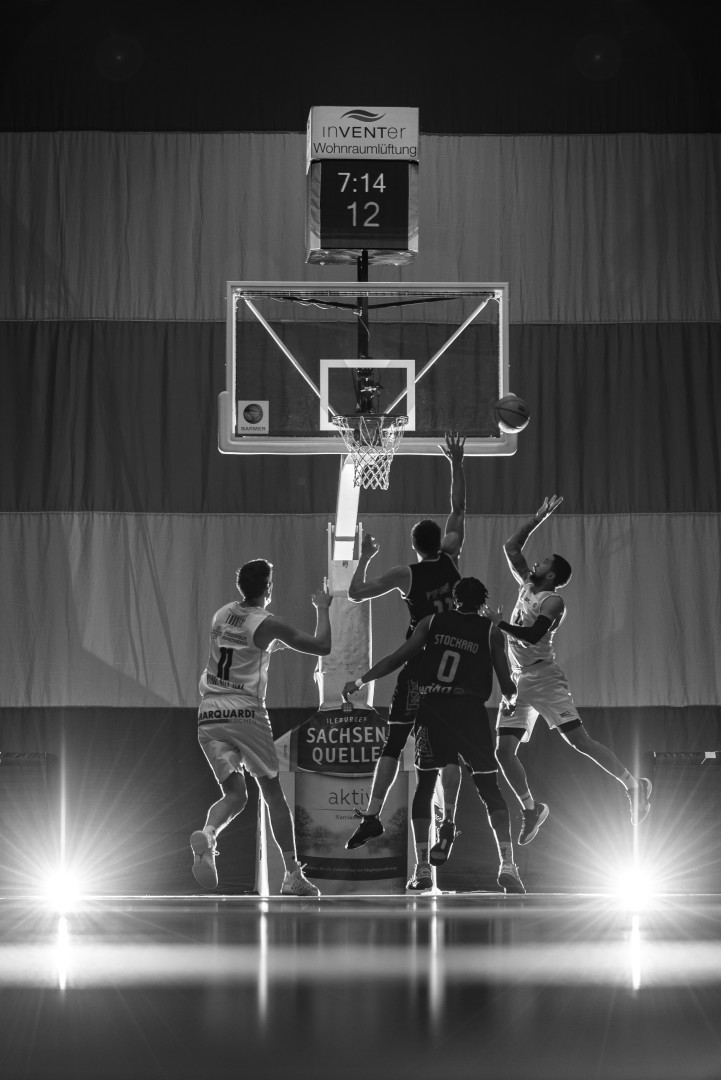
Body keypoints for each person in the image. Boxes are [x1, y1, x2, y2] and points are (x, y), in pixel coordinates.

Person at [343, 577, 525, 894]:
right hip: (471, 711)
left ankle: (423, 866)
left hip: (434, 708)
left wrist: (360, 681)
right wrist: (510, 699)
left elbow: (398, 658)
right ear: (482, 603)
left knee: (426, 785)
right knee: (489, 788)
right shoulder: (490, 629)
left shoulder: (432, 621)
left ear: (454, 600)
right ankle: (507, 864)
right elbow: (506, 683)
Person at [489, 495, 652, 845]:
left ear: (552, 574)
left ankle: (633, 786)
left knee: (579, 741)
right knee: (503, 752)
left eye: (543, 562)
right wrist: (537, 518)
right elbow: (511, 546)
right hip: (519, 680)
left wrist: (498, 623)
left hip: (544, 678)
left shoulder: (553, 601)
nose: (535, 562)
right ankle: (532, 809)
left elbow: (533, 634)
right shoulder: (527, 585)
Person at [344, 431, 466, 863]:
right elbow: (458, 509)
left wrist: (366, 554)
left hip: (417, 665)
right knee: (449, 752)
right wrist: (457, 462)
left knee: (393, 745)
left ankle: (373, 814)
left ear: (415, 546)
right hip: (456, 668)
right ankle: (449, 821)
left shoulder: (406, 574)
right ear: (442, 543)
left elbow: (356, 593)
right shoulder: (452, 555)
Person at [191, 559, 332, 896]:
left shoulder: (222, 614)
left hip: (209, 712)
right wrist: (322, 608)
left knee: (235, 796)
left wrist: (268, 646)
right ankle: (292, 874)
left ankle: (209, 835)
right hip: (245, 712)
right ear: (269, 587)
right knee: (273, 796)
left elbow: (241, 647)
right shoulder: (268, 623)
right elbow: (322, 645)